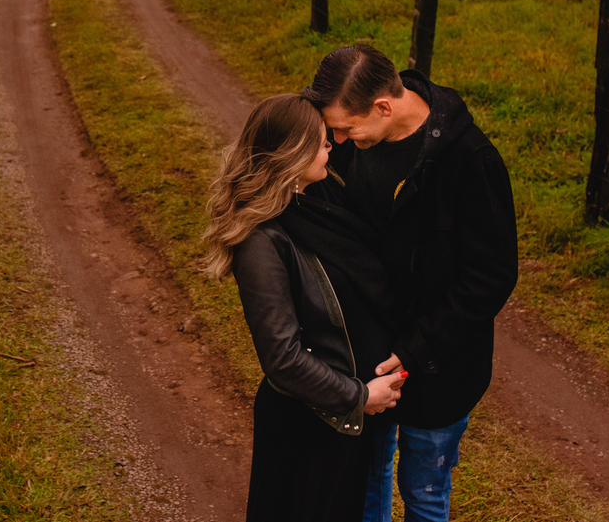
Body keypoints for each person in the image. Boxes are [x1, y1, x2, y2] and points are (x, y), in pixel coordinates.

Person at [300, 44, 519, 522]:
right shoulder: (349, 147)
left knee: (424, 494)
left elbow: (491, 278)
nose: (334, 139)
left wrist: (418, 348)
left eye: (344, 127)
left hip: (440, 368)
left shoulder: (469, 160)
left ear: (383, 107)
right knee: (364, 483)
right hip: (365, 361)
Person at [203, 94, 408, 522]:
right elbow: (282, 358)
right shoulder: (260, 241)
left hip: (340, 427)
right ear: (291, 155)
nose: (331, 147)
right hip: (305, 429)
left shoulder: (317, 203)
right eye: (319, 142)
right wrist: (358, 396)